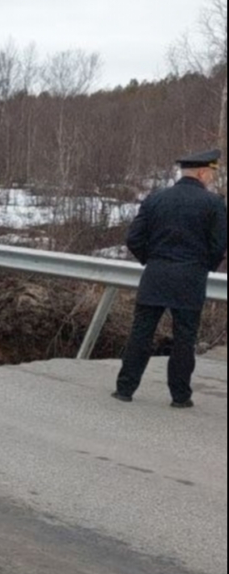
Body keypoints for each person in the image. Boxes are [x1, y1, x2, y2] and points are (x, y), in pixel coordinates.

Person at [115, 149, 227, 409]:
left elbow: (134, 238)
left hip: (155, 275)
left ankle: (125, 389)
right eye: (211, 173)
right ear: (202, 172)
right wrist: (203, 266)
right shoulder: (214, 204)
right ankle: (180, 396)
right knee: (184, 339)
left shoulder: (156, 198)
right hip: (190, 278)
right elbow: (219, 244)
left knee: (141, 334)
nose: (211, 178)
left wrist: (151, 260)